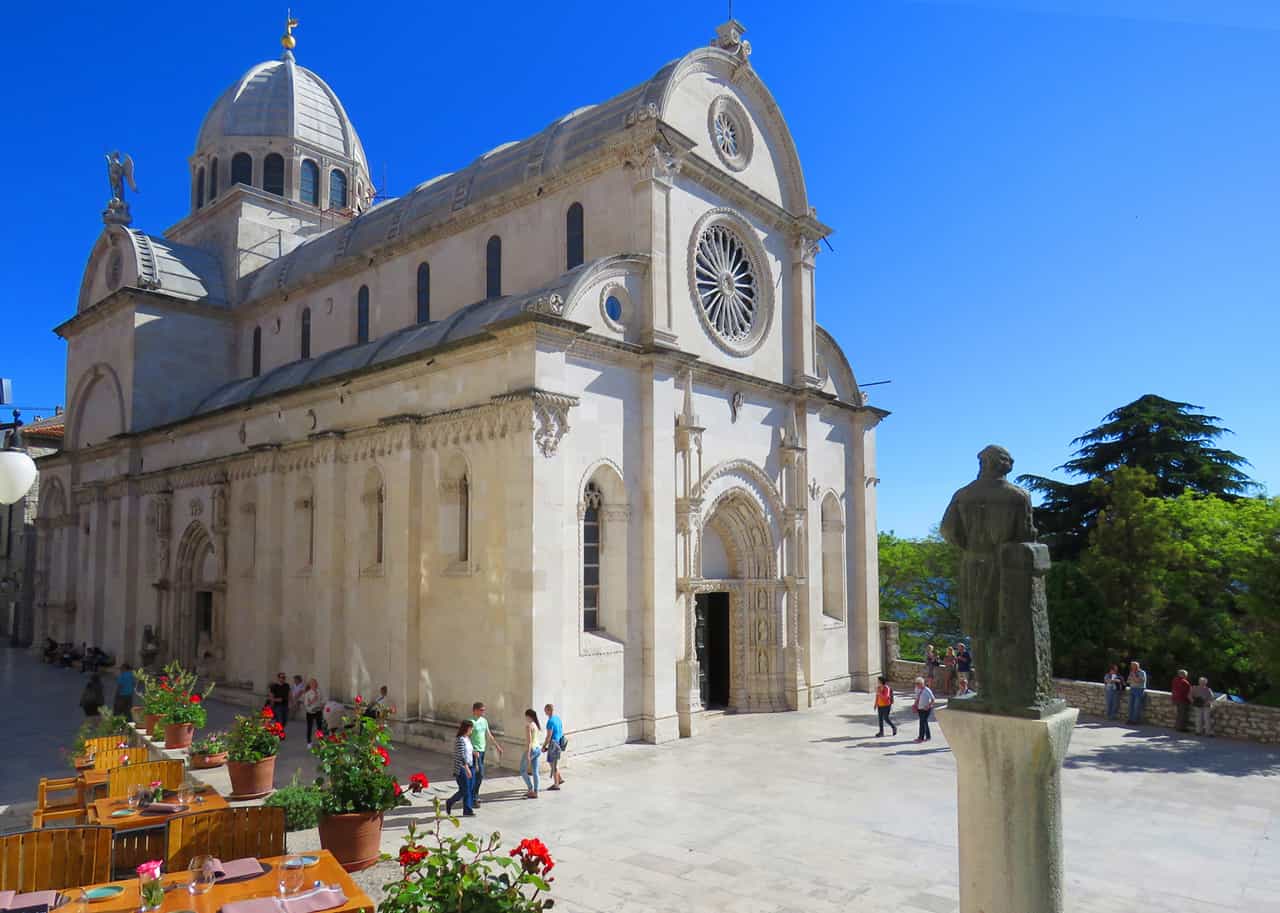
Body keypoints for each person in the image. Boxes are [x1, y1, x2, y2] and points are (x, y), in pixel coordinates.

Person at [469, 701, 503, 807]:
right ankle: (473, 798)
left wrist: (497, 746)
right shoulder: (471, 722)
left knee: (479, 775)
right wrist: (472, 750)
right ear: (475, 710)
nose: (483, 712)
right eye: (481, 710)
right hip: (475, 752)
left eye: (484, 710)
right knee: (478, 774)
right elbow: (466, 737)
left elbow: (489, 735)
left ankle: (474, 795)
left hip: (482, 751)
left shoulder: (484, 721)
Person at [446, 719, 477, 817]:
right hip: (462, 768)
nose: (472, 731)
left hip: (470, 765)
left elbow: (468, 751)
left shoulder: (467, 739)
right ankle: (465, 809)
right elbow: (461, 755)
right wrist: (467, 768)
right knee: (465, 789)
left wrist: (474, 753)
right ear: (467, 728)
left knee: (469, 788)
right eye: (471, 728)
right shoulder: (460, 740)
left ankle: (455, 804)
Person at [520, 708, 542, 799]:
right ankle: (536, 791)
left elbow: (529, 742)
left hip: (531, 749)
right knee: (535, 771)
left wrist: (528, 754)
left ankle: (530, 789)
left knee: (522, 770)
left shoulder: (529, 726)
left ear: (528, 716)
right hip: (538, 749)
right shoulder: (536, 725)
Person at [543, 703, 565, 790]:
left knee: (553, 764)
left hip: (553, 744)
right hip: (559, 743)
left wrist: (544, 746)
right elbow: (561, 730)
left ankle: (556, 784)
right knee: (552, 762)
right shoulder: (558, 719)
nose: (545, 713)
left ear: (548, 710)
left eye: (545, 711)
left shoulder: (550, 721)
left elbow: (549, 736)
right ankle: (559, 779)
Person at [302, 678, 325, 746]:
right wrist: (313, 700)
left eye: (315, 683)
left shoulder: (319, 691)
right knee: (309, 727)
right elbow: (306, 704)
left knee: (319, 727)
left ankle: (321, 742)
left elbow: (323, 700)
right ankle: (309, 742)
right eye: (313, 683)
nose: (315, 685)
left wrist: (322, 705)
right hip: (310, 712)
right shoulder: (307, 694)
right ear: (310, 685)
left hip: (318, 711)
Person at [912, 676, 935, 743]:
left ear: (922, 683)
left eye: (918, 684)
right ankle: (928, 736)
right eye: (916, 683)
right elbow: (916, 698)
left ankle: (921, 737)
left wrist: (928, 706)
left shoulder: (927, 690)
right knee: (924, 722)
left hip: (926, 709)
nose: (917, 685)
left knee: (922, 722)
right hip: (919, 708)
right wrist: (914, 705)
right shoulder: (916, 689)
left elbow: (933, 699)